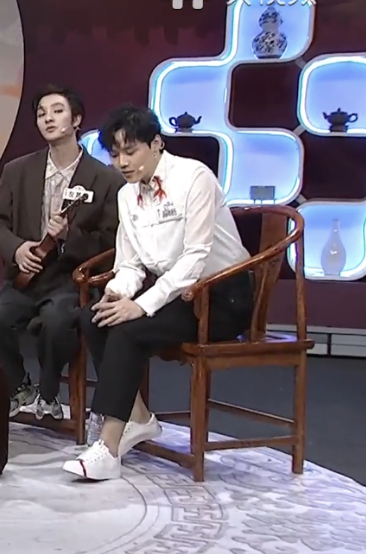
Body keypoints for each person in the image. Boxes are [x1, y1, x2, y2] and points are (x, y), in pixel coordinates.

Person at [63, 105, 253, 481]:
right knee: (95, 318)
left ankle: (108, 447)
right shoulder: (126, 195)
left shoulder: (194, 178)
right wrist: (117, 294)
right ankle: (137, 417)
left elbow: (196, 257)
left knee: (128, 330)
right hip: (176, 294)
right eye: (115, 154)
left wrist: (142, 306)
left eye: (130, 151)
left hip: (221, 296)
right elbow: (131, 264)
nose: (122, 162)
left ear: (156, 144)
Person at [0, 85, 124, 419]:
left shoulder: (105, 179)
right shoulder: (18, 170)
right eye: (41, 113)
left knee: (57, 323)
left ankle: (48, 391)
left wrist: (71, 236)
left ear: (77, 120)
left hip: (71, 278)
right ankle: (18, 386)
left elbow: (111, 242)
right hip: (25, 275)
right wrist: (17, 249)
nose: (48, 119)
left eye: (57, 111)